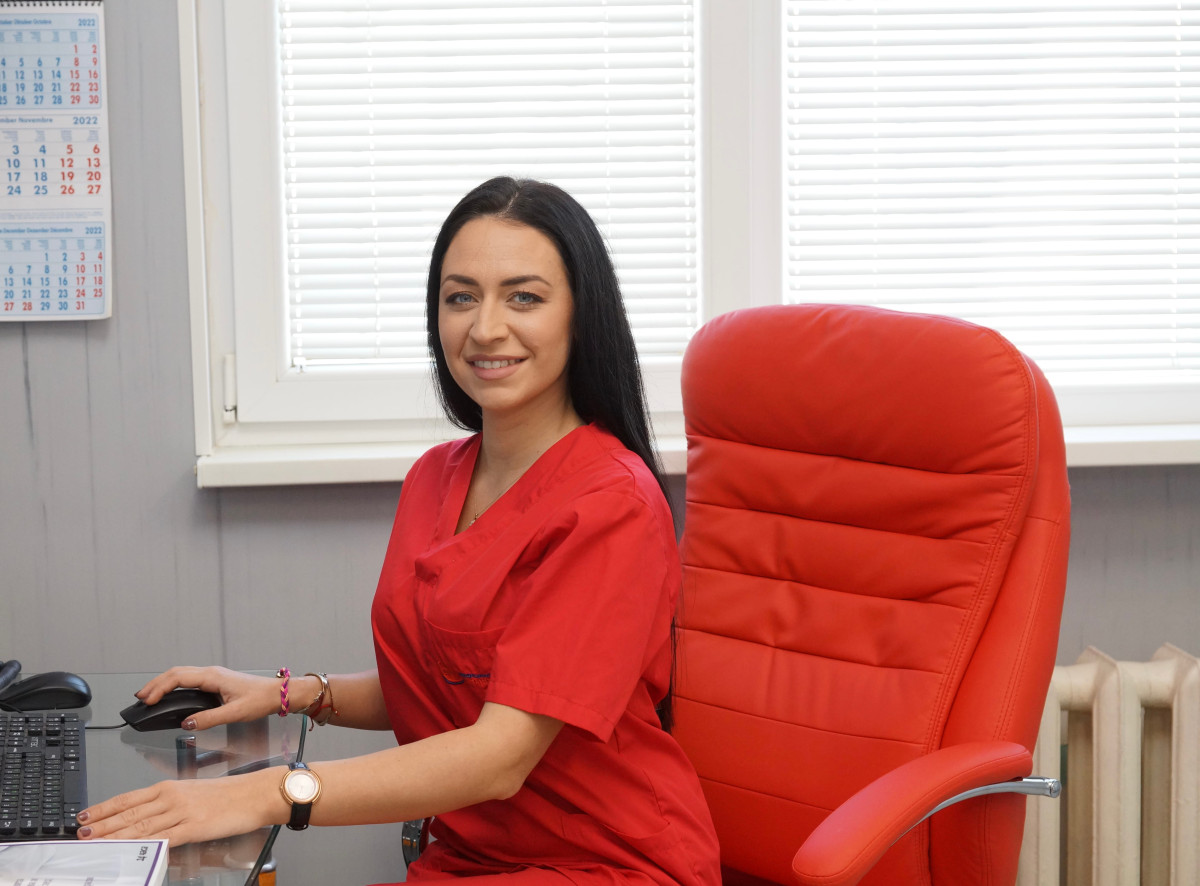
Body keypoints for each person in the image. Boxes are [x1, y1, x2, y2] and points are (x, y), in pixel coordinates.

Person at [77, 177, 722, 886]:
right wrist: (292, 693)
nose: (485, 328)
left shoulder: (610, 506)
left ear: (581, 315)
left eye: (524, 298)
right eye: (461, 297)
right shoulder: (436, 477)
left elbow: (502, 754)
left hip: (604, 861)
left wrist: (264, 793)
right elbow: (450, 681)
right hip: (471, 857)